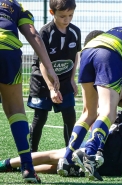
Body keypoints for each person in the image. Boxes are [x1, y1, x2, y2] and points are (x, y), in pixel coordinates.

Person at [57, 12, 122, 180]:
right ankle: (90, 153)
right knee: (108, 112)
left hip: (88, 51)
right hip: (110, 53)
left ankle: (67, 159)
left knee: (89, 113)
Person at [0, 103, 122, 178]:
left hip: (104, 151)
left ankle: (7, 163)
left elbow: (111, 122)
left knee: (56, 155)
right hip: (115, 168)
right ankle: (23, 169)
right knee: (59, 166)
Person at [0, 0, 60, 183]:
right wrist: (49, 68)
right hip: (7, 50)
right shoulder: (14, 5)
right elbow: (33, 34)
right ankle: (27, 167)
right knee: (16, 110)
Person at [27, 0, 81, 152]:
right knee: (40, 117)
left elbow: (74, 56)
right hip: (43, 81)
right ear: (52, 13)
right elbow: (42, 63)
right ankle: (31, 154)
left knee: (70, 115)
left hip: (64, 80)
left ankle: (70, 154)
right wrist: (51, 88)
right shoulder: (45, 32)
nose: (67, 19)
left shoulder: (75, 31)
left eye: (70, 15)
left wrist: (72, 79)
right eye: (63, 16)